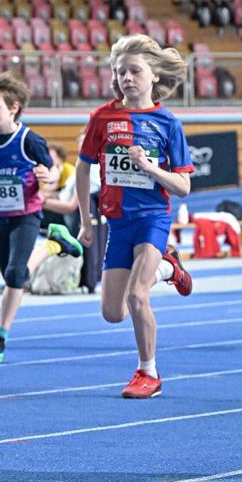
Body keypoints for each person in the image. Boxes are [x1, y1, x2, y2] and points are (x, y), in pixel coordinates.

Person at [75, 34, 194, 399]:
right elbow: (83, 169)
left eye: (135, 71)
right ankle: (169, 268)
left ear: (154, 75)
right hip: (117, 222)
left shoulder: (168, 124)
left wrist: (149, 168)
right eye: (120, 72)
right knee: (113, 312)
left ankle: (149, 372)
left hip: (152, 218)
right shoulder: (103, 117)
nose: (127, 78)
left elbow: (183, 187)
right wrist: (84, 221)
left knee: (137, 297)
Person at [0, 71, 77, 362]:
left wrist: (48, 176)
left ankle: (0, 338)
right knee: (12, 277)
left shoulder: (29, 140)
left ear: (13, 107)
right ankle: (54, 244)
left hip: (26, 215)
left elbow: (52, 171)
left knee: (16, 275)